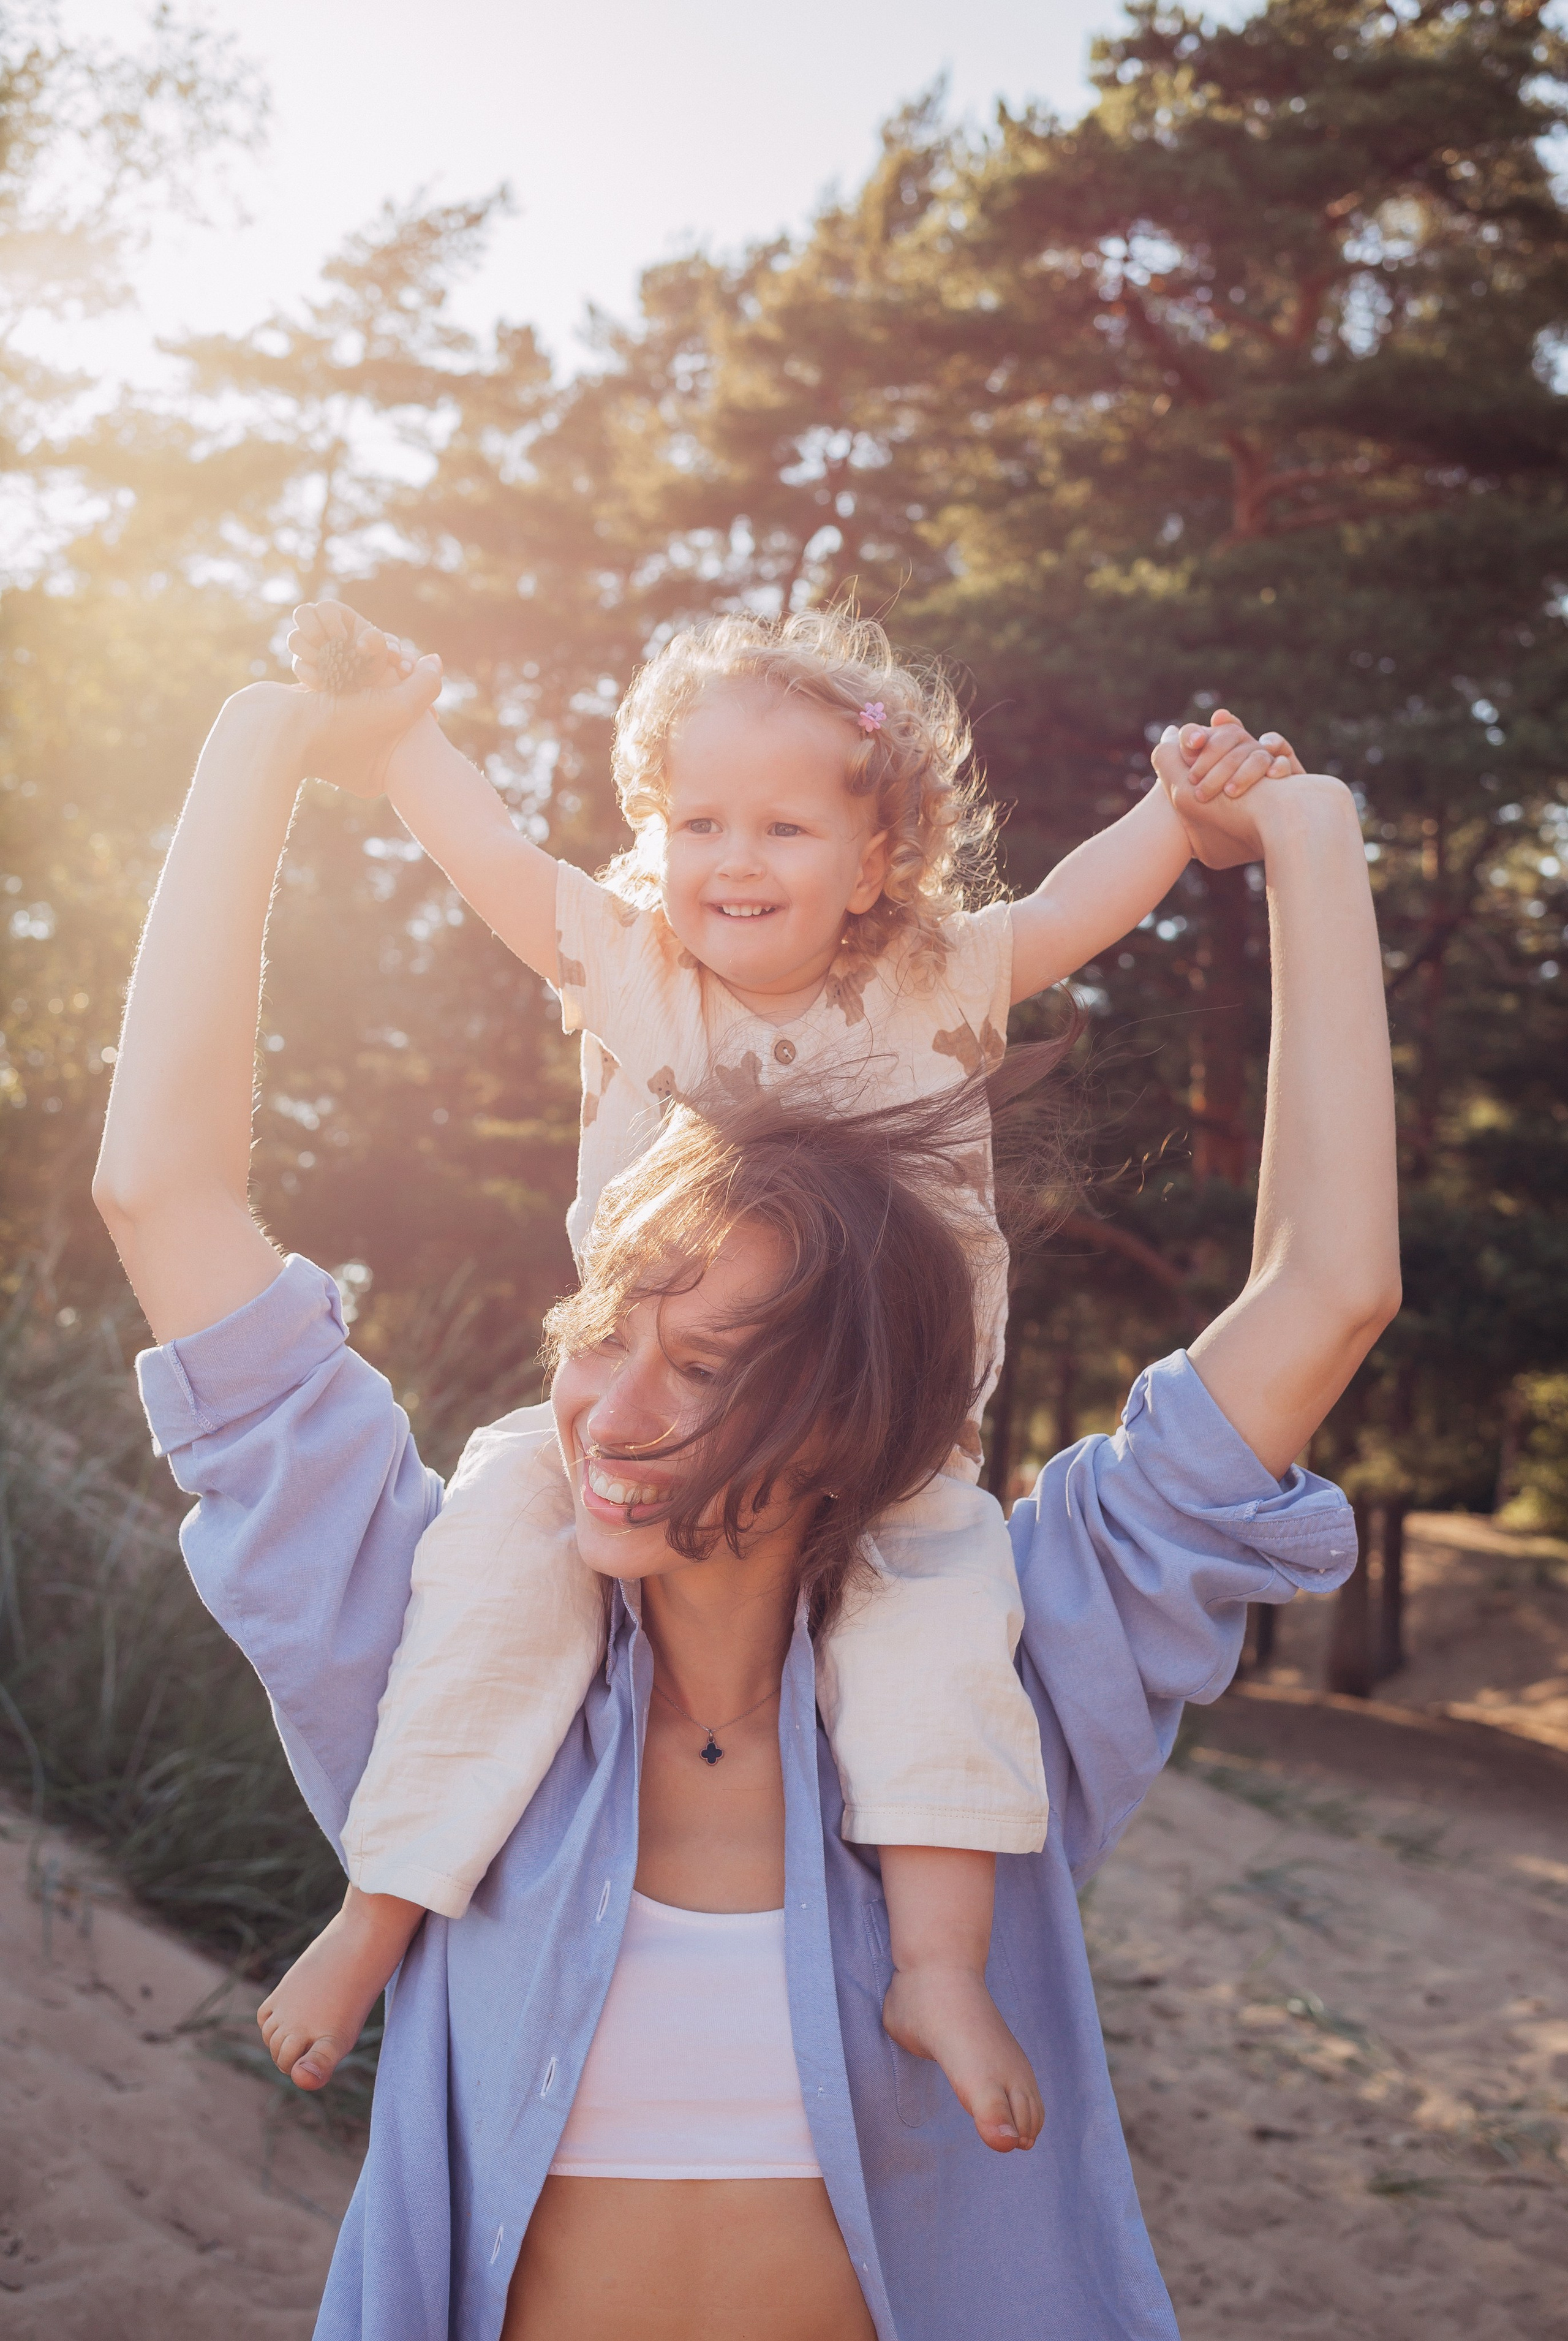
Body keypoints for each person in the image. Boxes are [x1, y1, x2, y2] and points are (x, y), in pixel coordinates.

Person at [92, 665, 1397, 2340]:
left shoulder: (997, 1691)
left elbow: (1329, 1292)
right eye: (603, 1329)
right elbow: (159, 1191)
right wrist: (264, 739)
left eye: (705, 1365)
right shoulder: (440, 1662)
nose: (610, 1411)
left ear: (855, 1420)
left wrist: (1306, 835)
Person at [245, 599, 1302, 2148]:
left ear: (873, 861)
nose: (731, 860)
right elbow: (491, 859)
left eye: (784, 828)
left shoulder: (934, 980)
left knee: (942, 1622)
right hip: (635, 1419)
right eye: (697, 822)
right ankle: (380, 1907)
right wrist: (403, 739)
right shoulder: (632, 967)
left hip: (881, 1442)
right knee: (492, 1568)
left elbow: (1074, 906)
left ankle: (936, 1968)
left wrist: (1177, 816)